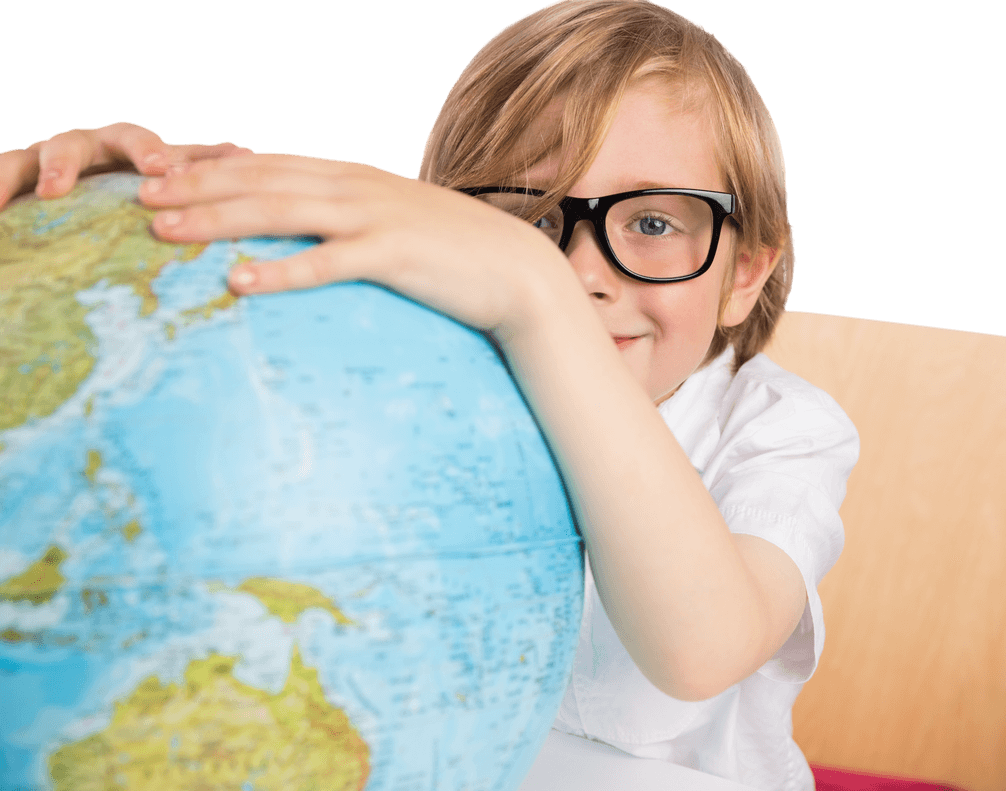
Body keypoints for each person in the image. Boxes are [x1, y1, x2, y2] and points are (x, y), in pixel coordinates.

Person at [0, 1, 858, 788]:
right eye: (527, 221)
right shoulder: (416, 376)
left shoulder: (782, 430)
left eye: (655, 222)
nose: (580, 275)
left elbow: (701, 647)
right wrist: (124, 205)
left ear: (748, 269)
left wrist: (534, 293)